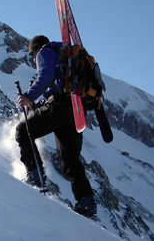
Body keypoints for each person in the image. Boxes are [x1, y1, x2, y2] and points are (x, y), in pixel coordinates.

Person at [15, 35, 97, 217]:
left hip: (60, 106)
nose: (33, 60)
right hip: (74, 110)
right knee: (69, 161)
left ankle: (36, 178)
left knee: (22, 131)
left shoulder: (44, 52)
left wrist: (28, 96)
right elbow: (56, 86)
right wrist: (36, 105)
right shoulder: (65, 56)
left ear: (34, 51)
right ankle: (86, 202)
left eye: (32, 56)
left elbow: (46, 75)